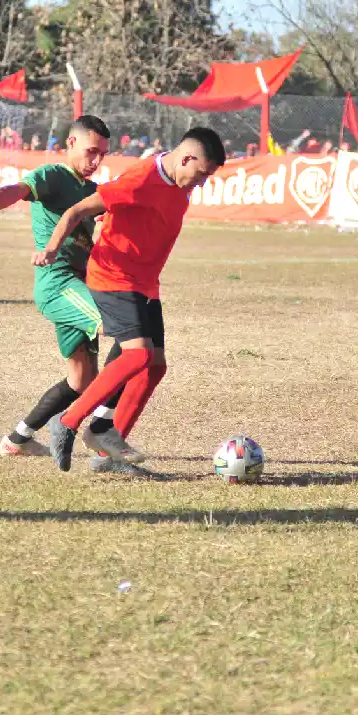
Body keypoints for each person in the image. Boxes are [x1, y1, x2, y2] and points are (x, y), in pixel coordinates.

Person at [36, 127, 227, 471]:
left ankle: (107, 450)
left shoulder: (179, 184)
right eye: (201, 174)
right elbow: (76, 211)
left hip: (145, 284)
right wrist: (51, 248)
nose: (201, 183)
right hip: (113, 277)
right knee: (137, 355)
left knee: (155, 366)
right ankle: (67, 421)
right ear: (186, 158)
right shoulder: (140, 179)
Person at [0, 115, 139, 472]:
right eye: (92, 151)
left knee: (81, 380)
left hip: (78, 286)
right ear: (71, 144)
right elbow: (18, 190)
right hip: (59, 284)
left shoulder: (90, 189)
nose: (97, 160)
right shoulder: (53, 175)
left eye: (104, 154)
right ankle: (103, 428)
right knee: (131, 331)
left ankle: (18, 439)